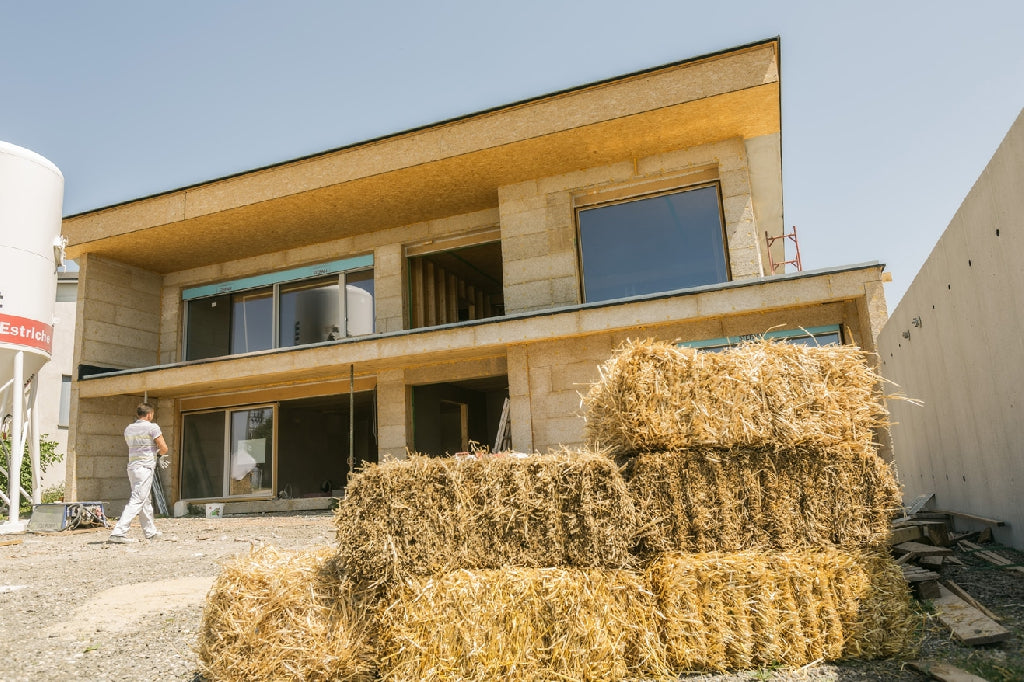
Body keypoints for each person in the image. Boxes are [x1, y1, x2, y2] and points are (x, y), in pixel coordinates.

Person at [107, 402, 168, 543]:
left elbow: (133, 445)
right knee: (137, 499)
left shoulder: (129, 429)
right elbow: (164, 448)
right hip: (145, 468)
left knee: (145, 500)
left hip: (132, 467)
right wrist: (158, 454)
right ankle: (118, 532)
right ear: (149, 414)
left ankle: (150, 532)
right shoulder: (153, 427)